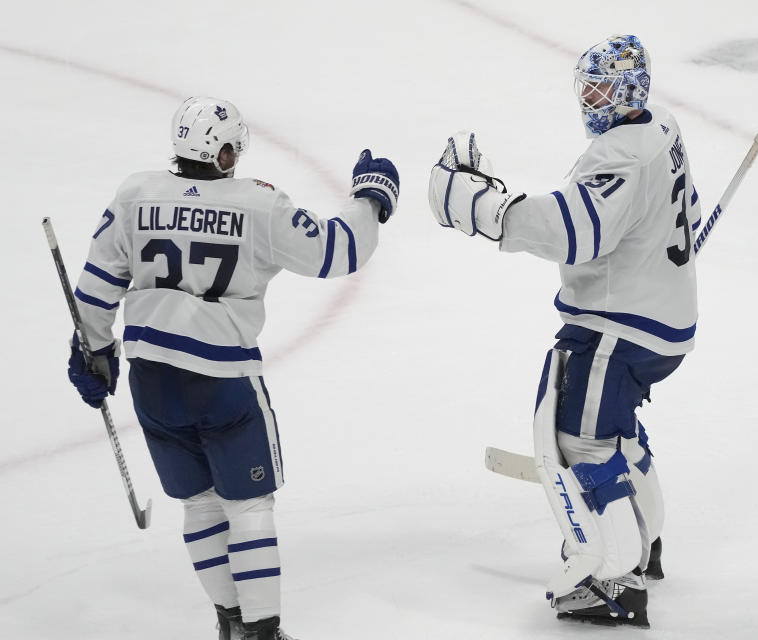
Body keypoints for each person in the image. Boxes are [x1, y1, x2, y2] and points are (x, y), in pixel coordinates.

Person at [66, 96, 399, 640]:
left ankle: (233, 624)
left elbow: (96, 289)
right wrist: (372, 198)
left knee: (198, 504)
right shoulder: (258, 205)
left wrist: (94, 352)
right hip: (221, 381)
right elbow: (338, 252)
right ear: (226, 151)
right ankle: (263, 634)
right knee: (248, 506)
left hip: (152, 381)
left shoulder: (135, 194)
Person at [428, 35, 700, 627]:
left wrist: (482, 208)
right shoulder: (661, 125)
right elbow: (681, 208)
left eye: (601, 87)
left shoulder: (620, 155)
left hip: (618, 326)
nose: (590, 98)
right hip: (663, 319)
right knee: (614, 431)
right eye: (587, 87)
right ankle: (642, 539)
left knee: (579, 440)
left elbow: (575, 230)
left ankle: (613, 576)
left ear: (629, 90)